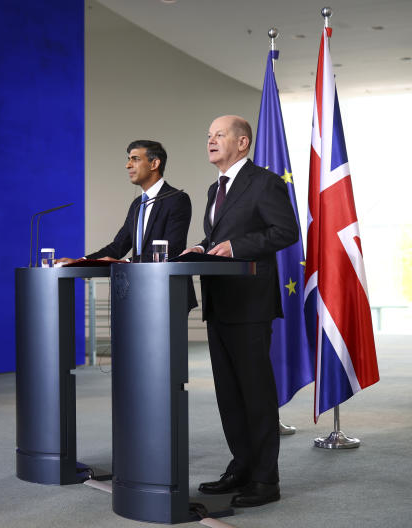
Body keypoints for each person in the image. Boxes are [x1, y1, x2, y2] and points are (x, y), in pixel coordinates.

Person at [187, 115, 298, 508]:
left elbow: (286, 232)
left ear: (243, 143)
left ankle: (266, 480)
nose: (211, 141)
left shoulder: (264, 182)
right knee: (229, 395)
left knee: (255, 394)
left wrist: (235, 246)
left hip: (250, 304)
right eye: (209, 135)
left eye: (219, 135)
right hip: (220, 303)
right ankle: (241, 468)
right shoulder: (213, 189)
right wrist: (202, 247)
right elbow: (218, 237)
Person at [59, 140, 192, 264]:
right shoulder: (137, 204)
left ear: (154, 164)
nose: (128, 165)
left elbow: (172, 250)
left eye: (135, 159)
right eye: (128, 159)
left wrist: (126, 263)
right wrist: (81, 262)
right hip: (138, 285)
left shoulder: (177, 199)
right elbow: (117, 247)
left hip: (169, 286)